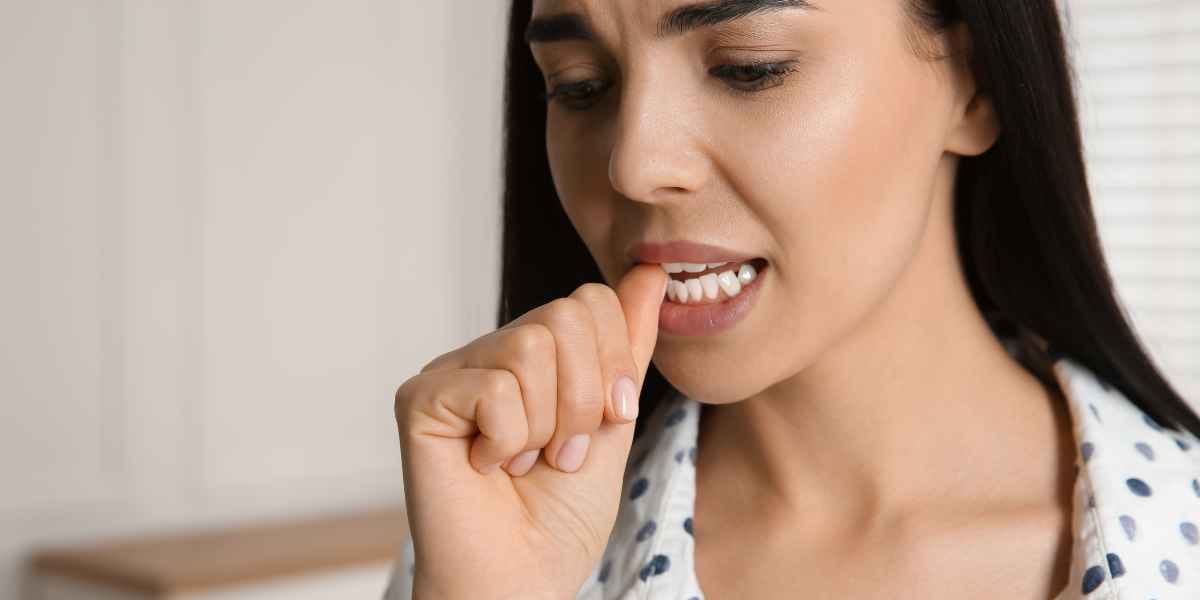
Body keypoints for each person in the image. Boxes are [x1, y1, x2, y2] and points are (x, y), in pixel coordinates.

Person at [385, 1, 1200, 598]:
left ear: (974, 85)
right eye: (581, 86)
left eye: (749, 66)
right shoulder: (489, 549)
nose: (634, 164)